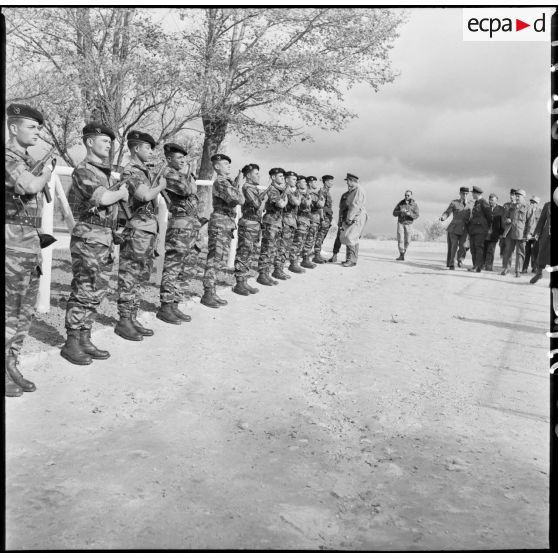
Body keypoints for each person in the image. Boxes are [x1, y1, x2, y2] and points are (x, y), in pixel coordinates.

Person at [60, 122, 128, 366]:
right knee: (84, 288)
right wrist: (122, 193)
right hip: (89, 237)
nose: (109, 145)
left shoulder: (103, 172)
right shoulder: (84, 170)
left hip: (104, 237)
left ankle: (85, 336)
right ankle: (71, 341)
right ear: (89, 142)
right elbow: (104, 198)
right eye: (104, 141)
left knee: (98, 288)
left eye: (111, 142)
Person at [5, 104, 53, 396]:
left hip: (27, 245)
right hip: (12, 245)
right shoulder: (9, 158)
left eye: (39, 127)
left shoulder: (24, 158)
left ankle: (12, 363)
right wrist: (46, 175)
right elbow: (27, 186)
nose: (38, 131)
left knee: (24, 311)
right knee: (8, 309)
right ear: (13, 128)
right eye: (32, 127)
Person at [115, 130, 166, 340]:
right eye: (147, 147)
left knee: (140, 276)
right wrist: (161, 186)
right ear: (136, 148)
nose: (150, 152)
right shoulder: (131, 171)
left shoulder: (145, 171)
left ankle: (132, 316)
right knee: (129, 275)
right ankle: (124, 320)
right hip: (136, 229)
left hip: (147, 229)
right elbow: (144, 195)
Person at [156, 143, 198, 324]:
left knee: (184, 265)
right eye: (179, 158)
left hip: (189, 223)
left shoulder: (182, 174)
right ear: (169, 159)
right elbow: (187, 190)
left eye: (184, 158)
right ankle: (165, 306)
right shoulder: (169, 173)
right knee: (173, 265)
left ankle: (174, 304)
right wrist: (189, 173)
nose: (182, 161)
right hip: (179, 223)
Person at [201, 154, 244, 308]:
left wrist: (235, 186)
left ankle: (211, 291)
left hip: (225, 224)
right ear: (217, 166)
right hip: (220, 223)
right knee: (214, 259)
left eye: (229, 164)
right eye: (225, 164)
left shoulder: (227, 182)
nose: (229, 166)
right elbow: (238, 199)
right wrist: (237, 187)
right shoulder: (220, 182)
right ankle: (207, 293)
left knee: (218, 260)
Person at [232, 163, 265, 296]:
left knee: (250, 253)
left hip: (255, 224)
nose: (259, 176)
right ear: (249, 175)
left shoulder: (253, 188)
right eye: (256, 173)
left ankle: (244, 281)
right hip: (248, 224)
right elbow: (258, 206)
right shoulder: (247, 188)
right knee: (244, 253)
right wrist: (264, 199)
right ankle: (239, 283)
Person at [257, 168, 288, 285]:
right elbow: (280, 204)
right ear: (273, 177)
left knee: (273, 249)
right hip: (270, 222)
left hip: (277, 223)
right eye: (280, 176)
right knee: (267, 249)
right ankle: (262, 275)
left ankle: (267, 273)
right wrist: (285, 198)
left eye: (283, 176)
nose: (282, 178)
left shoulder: (280, 190)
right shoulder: (273, 190)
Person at [501, 188, 535, 277]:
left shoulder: (528, 207)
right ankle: (506, 268)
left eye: (518, 196)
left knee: (520, 252)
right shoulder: (512, 206)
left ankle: (518, 270)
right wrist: (506, 220)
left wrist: (529, 233)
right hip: (510, 232)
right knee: (508, 251)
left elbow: (531, 222)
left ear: (524, 197)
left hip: (521, 233)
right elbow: (504, 217)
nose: (516, 197)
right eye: (516, 196)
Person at [439, 187, 472, 270]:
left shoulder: (470, 204)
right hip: (454, 228)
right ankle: (451, 264)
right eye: (463, 193)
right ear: (460, 194)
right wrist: (443, 217)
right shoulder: (454, 203)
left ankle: (460, 259)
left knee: (463, 246)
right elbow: (448, 212)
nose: (464, 195)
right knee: (453, 246)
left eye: (466, 194)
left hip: (465, 229)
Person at [274, 170, 300, 278]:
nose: (295, 181)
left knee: (287, 246)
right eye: (293, 179)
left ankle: (281, 268)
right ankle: (277, 270)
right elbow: (296, 202)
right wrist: (289, 192)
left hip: (292, 222)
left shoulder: (293, 191)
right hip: (285, 221)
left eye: (296, 179)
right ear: (287, 179)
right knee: (282, 247)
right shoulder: (284, 190)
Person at [340, 173, 367, 267]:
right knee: (351, 237)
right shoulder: (354, 190)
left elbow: (355, 205)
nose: (347, 183)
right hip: (354, 215)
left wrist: (349, 218)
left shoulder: (358, 190)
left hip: (356, 216)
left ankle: (351, 260)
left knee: (350, 237)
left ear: (351, 181)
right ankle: (351, 259)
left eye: (347, 181)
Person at [301, 176, 324, 269]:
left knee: (312, 239)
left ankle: (306, 258)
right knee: (309, 239)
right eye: (314, 182)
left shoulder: (315, 194)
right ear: (310, 183)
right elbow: (318, 205)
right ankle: (305, 259)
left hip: (315, 219)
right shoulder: (309, 193)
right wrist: (320, 199)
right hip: (311, 219)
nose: (316, 184)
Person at [289, 176, 312, 273]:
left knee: (301, 242)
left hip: (305, 220)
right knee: (297, 242)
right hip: (300, 220)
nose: (305, 184)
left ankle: (297, 262)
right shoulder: (297, 193)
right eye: (303, 182)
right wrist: (309, 197)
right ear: (298, 184)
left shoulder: (305, 193)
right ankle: (293, 263)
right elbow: (306, 203)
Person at [467, 186, 492, 273]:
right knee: (473, 248)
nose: (472, 195)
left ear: (477, 193)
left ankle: (478, 267)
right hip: (473, 229)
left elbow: (489, 216)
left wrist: (488, 228)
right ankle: (475, 265)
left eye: (473, 193)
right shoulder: (476, 202)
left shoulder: (484, 203)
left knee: (478, 248)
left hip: (481, 230)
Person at [392, 189, 419, 261]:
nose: (406, 196)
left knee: (408, 240)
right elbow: (394, 213)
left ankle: (404, 252)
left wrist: (410, 214)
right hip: (400, 222)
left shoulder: (414, 204)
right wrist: (400, 212)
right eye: (405, 195)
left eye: (408, 195)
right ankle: (401, 255)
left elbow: (417, 215)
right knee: (400, 239)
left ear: (411, 196)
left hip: (409, 224)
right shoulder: (400, 203)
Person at [313, 175, 334, 264]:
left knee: (322, 236)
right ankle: (316, 255)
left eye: (332, 181)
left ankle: (318, 253)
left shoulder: (327, 192)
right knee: (320, 236)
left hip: (327, 217)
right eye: (330, 181)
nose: (332, 183)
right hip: (324, 217)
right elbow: (320, 206)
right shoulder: (322, 191)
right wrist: (321, 218)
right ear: (325, 182)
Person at [328, 183, 351, 263]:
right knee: (338, 238)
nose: (349, 186)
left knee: (350, 238)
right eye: (348, 185)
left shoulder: (356, 195)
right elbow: (340, 208)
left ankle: (349, 259)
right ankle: (334, 255)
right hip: (343, 219)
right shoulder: (344, 195)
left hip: (351, 220)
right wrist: (340, 220)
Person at [482, 193, 504, 272]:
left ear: (496, 201)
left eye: (492, 200)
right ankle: (483, 264)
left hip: (495, 233)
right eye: (490, 200)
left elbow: (502, 222)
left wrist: (501, 233)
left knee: (491, 250)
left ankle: (489, 266)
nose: (490, 201)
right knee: (484, 249)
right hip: (485, 233)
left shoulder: (501, 209)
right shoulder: (486, 208)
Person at [530, 200, 550, 284]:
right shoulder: (548, 204)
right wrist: (537, 233)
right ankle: (539, 273)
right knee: (541, 253)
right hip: (547, 234)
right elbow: (541, 220)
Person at [522, 195, 541, 274]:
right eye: (531, 202)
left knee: (535, 252)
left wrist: (538, 234)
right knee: (527, 252)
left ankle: (534, 268)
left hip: (536, 235)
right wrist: (525, 234)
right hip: (527, 235)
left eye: (534, 202)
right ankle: (524, 268)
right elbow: (524, 223)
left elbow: (541, 224)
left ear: (537, 203)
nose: (532, 203)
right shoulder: (527, 211)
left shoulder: (540, 211)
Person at [500, 188, 517, 263]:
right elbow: (503, 217)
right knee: (506, 248)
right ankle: (505, 265)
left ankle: (518, 267)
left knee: (514, 250)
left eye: (513, 195)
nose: (512, 196)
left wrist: (511, 220)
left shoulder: (519, 206)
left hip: (516, 230)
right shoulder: (506, 205)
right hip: (506, 230)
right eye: (511, 194)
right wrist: (506, 221)